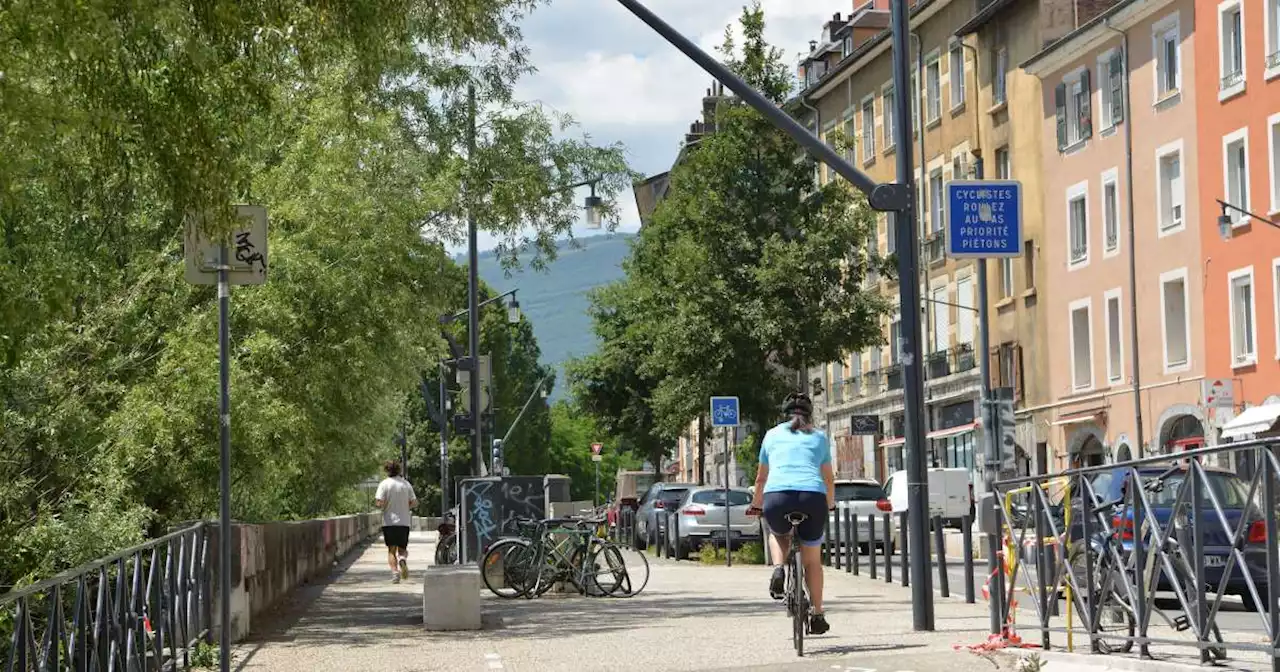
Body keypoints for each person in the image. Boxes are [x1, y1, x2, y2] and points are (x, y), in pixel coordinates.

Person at [748, 392, 835, 635]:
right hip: (812, 497)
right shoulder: (819, 438)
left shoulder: (772, 435)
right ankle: (817, 614)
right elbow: (829, 479)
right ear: (810, 415)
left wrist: (757, 505)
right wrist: (829, 505)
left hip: (778, 496)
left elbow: (761, 478)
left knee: (776, 533)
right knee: (812, 561)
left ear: (784, 414)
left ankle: (778, 568)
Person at [375, 460, 418, 583]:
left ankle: (395, 573)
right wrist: (405, 506)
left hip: (389, 522)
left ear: (387, 470)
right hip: (404, 522)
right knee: (402, 549)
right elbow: (414, 502)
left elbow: (380, 502)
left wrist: (383, 505)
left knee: (391, 550)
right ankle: (402, 559)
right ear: (399, 470)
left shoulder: (384, 484)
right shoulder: (406, 484)